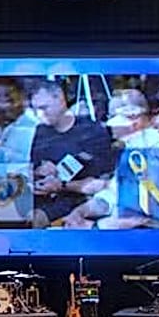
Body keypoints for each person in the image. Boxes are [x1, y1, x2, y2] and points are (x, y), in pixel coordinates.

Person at [64, 88, 159, 229]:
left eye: (114, 117)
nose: (110, 125)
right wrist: (81, 211)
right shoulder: (131, 148)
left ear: (134, 119)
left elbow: (143, 213)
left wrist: (93, 227)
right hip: (120, 230)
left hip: (148, 235)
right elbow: (112, 196)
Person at [28, 79, 116, 226]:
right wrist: (39, 171)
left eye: (44, 108)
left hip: (78, 200)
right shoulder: (41, 132)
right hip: (42, 196)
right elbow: (32, 168)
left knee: (34, 220)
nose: (39, 114)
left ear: (60, 99)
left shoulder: (92, 132)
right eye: (35, 109)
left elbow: (103, 183)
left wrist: (61, 185)